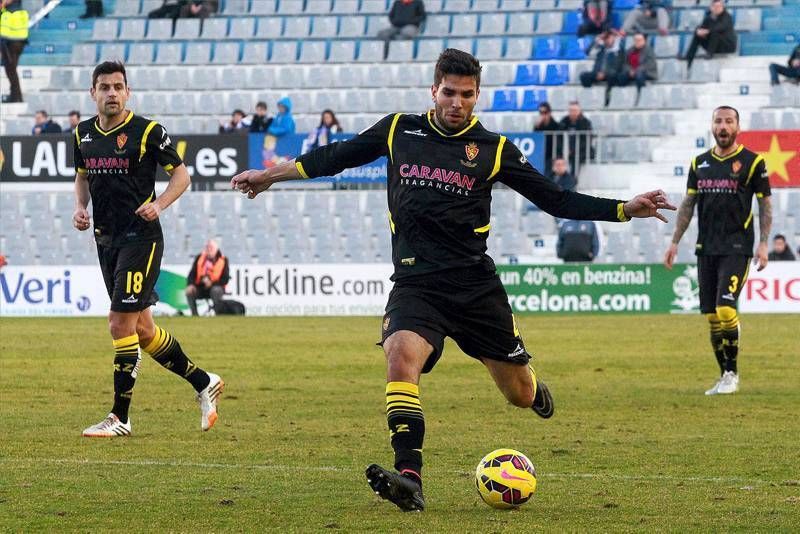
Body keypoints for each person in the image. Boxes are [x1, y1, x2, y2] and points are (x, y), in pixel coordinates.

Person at [231, 49, 675, 512]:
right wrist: (269, 176)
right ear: (433, 90)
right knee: (400, 355)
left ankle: (533, 386)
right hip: (416, 284)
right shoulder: (398, 130)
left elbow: (557, 199)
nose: (456, 102)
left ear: (477, 96)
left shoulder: (494, 149)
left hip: (475, 289)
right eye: (449, 92)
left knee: (518, 394)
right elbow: (332, 157)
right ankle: (409, 478)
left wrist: (624, 209)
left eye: (466, 95)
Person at [72, 61, 223, 437]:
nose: (111, 93)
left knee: (118, 323)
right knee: (142, 330)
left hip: (141, 239)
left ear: (128, 91)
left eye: (118, 87)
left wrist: (160, 204)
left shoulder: (148, 131)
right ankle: (205, 382)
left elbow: (182, 175)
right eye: (104, 87)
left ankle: (119, 417)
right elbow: (82, 175)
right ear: (93, 93)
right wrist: (80, 207)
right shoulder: (82, 134)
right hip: (105, 239)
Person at [664, 106, 771, 397]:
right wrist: (675, 241)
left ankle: (732, 374)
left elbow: (764, 204)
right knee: (712, 316)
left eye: (729, 121)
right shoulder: (699, 163)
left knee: (726, 307)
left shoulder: (753, 162)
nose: (723, 126)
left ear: (738, 126)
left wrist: (763, 243)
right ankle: (724, 374)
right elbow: (688, 204)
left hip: (737, 246)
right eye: (718, 121)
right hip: (706, 247)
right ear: (712, 126)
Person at [683, 0, 736, 69]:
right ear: (711, 7)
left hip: (726, 46)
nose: (717, 8)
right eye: (715, 6)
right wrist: (698, 31)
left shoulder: (727, 16)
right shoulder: (709, 17)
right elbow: (702, 27)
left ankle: (709, 55)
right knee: (697, 35)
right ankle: (689, 59)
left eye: (719, 6)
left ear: (722, 7)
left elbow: (721, 27)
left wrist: (707, 31)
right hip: (714, 45)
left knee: (715, 33)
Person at [185, 239, 230, 316]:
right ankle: (194, 315)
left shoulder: (223, 260)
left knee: (215, 290)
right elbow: (191, 274)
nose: (208, 249)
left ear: (216, 249)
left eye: (211, 247)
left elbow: (225, 279)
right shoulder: (199, 257)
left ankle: (218, 314)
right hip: (201, 287)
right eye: (207, 247)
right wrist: (191, 284)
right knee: (189, 290)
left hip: (216, 287)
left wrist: (212, 283)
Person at [579, 30, 625, 105]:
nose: (607, 40)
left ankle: (608, 98)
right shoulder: (601, 49)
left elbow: (618, 66)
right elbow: (588, 52)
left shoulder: (619, 51)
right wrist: (596, 40)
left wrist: (604, 73)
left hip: (610, 74)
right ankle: (589, 96)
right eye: (605, 38)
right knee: (583, 76)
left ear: (614, 38)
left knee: (612, 76)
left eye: (609, 38)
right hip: (597, 72)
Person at [0, 0, 28, 103]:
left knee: (11, 70)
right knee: (11, 70)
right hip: (20, 43)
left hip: (10, 44)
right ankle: (16, 95)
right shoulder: (22, 12)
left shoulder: (8, 13)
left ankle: (16, 96)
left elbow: (4, 33)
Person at [615, 32, 658, 97]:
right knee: (621, 76)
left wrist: (636, 71)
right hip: (631, 72)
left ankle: (642, 95)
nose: (637, 42)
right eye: (635, 40)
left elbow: (650, 64)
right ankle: (622, 95)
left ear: (644, 41)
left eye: (639, 40)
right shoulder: (630, 50)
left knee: (639, 76)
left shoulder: (649, 50)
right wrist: (630, 70)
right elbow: (625, 63)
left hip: (646, 72)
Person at [558, 101, 593, 168]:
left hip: (583, 151)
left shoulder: (585, 122)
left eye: (575, 110)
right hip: (568, 151)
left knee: (576, 158)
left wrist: (573, 150)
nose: (573, 113)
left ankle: (572, 178)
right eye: (571, 110)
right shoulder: (565, 120)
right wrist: (564, 150)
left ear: (579, 111)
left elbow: (587, 141)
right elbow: (558, 135)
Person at [533, 102, 561, 171]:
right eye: (541, 112)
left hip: (552, 155)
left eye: (545, 112)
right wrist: (537, 126)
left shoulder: (556, 125)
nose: (543, 114)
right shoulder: (538, 126)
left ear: (549, 112)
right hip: (541, 154)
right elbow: (535, 137)